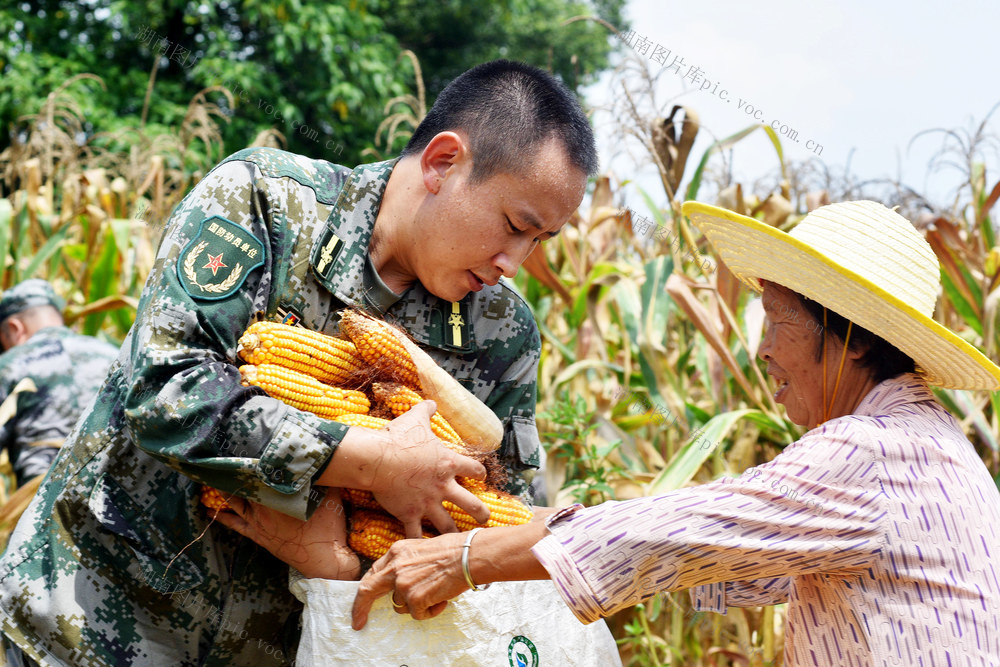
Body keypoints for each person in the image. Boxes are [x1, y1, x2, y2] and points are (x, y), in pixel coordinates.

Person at [0, 60, 597, 666]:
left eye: (538, 241)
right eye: (516, 225)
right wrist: (374, 463)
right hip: (88, 626)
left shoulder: (503, 333)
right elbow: (165, 390)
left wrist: (336, 564)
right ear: (444, 162)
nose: (514, 263)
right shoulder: (266, 201)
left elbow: (494, 534)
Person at [349, 200, 1000, 665]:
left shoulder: (876, 452)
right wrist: (503, 519)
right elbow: (718, 560)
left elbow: (681, 529)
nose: (762, 350)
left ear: (852, 341)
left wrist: (463, 559)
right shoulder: (925, 443)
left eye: (777, 323)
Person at [0, 279, 118, 487]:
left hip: (41, 506)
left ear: (15, 328)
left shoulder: (11, 365)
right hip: (122, 505)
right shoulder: (114, 356)